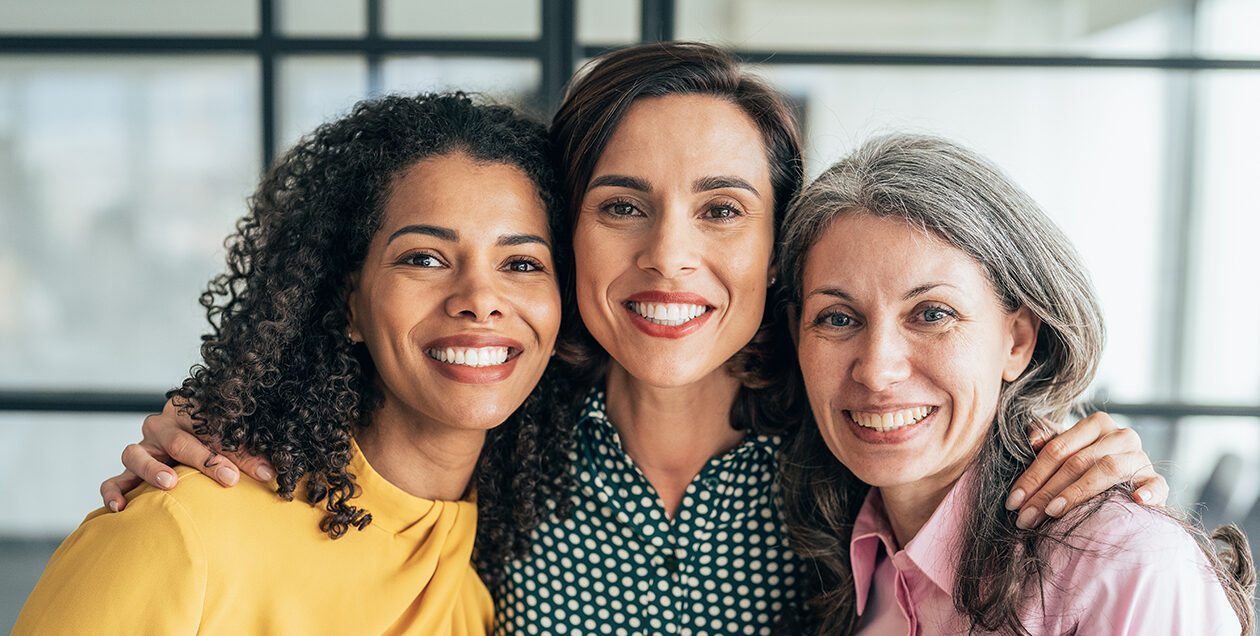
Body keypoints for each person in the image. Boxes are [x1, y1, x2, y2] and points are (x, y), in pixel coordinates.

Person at [97, 43, 1172, 634]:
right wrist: (211, 427)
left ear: (778, 249)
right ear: (565, 234)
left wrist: (1081, 458)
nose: (669, 257)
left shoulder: (846, 440)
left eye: (721, 210)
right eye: (621, 204)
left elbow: (999, 496)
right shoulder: (504, 434)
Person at [16, 93, 571, 635]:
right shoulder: (185, 534)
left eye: (521, 262)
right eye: (423, 258)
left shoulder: (482, 590)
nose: (480, 297)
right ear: (348, 301)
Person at [777, 133, 1256, 635]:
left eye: (932, 314)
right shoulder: (833, 558)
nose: (876, 370)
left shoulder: (1126, 564)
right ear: (797, 336)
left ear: (1017, 340)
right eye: (836, 319)